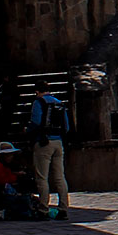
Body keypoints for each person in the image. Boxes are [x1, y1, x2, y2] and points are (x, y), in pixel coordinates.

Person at [28, 87, 72, 220]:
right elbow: (67, 126)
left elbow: (35, 122)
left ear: (37, 91)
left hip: (43, 142)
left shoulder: (39, 102)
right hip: (58, 142)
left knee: (42, 177)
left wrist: (29, 131)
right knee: (60, 177)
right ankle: (63, 208)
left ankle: (43, 209)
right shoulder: (59, 102)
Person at [0, 143, 38, 220]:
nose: (11, 157)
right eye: (9, 155)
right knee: (19, 199)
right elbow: (1, 180)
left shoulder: (3, 166)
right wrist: (16, 178)